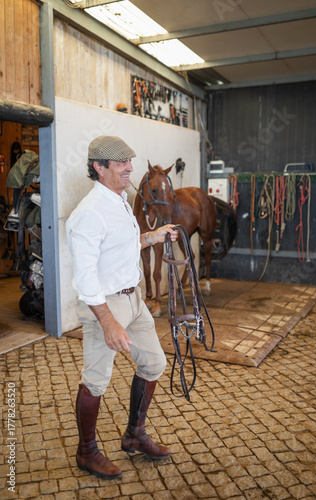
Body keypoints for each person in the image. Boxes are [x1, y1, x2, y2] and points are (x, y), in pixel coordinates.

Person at [66, 136, 178, 480]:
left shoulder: (121, 199)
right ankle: (86, 452)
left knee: (154, 363)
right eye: (121, 163)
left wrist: (153, 236)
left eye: (130, 160)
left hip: (134, 298)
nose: (130, 167)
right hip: (105, 303)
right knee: (96, 380)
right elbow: (85, 278)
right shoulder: (87, 214)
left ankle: (134, 435)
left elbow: (125, 245)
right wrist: (108, 322)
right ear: (99, 168)